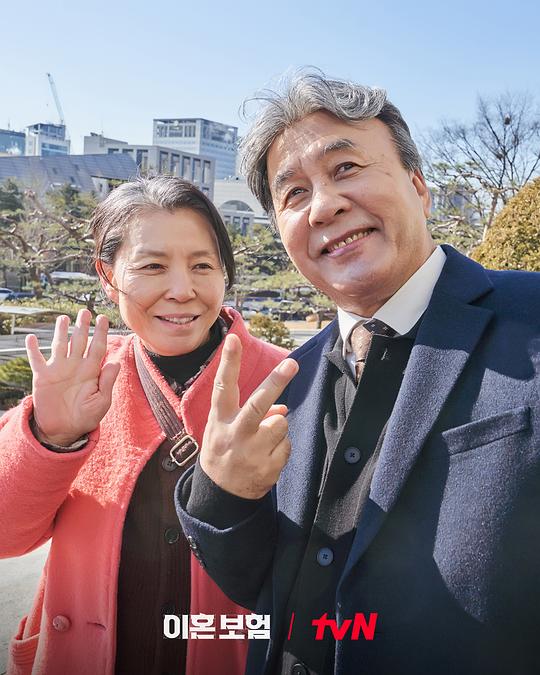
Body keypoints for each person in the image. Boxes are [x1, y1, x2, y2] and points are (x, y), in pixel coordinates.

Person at [176, 72, 540, 675]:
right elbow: (258, 586)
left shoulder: (530, 317)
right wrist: (224, 493)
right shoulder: (290, 382)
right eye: (294, 193)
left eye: (345, 168)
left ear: (419, 188)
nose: (324, 206)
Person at [0, 175, 297, 675]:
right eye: (152, 266)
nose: (182, 291)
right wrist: (50, 437)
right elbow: (6, 537)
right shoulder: (82, 380)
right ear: (107, 275)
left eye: (202, 266)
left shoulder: (287, 378)